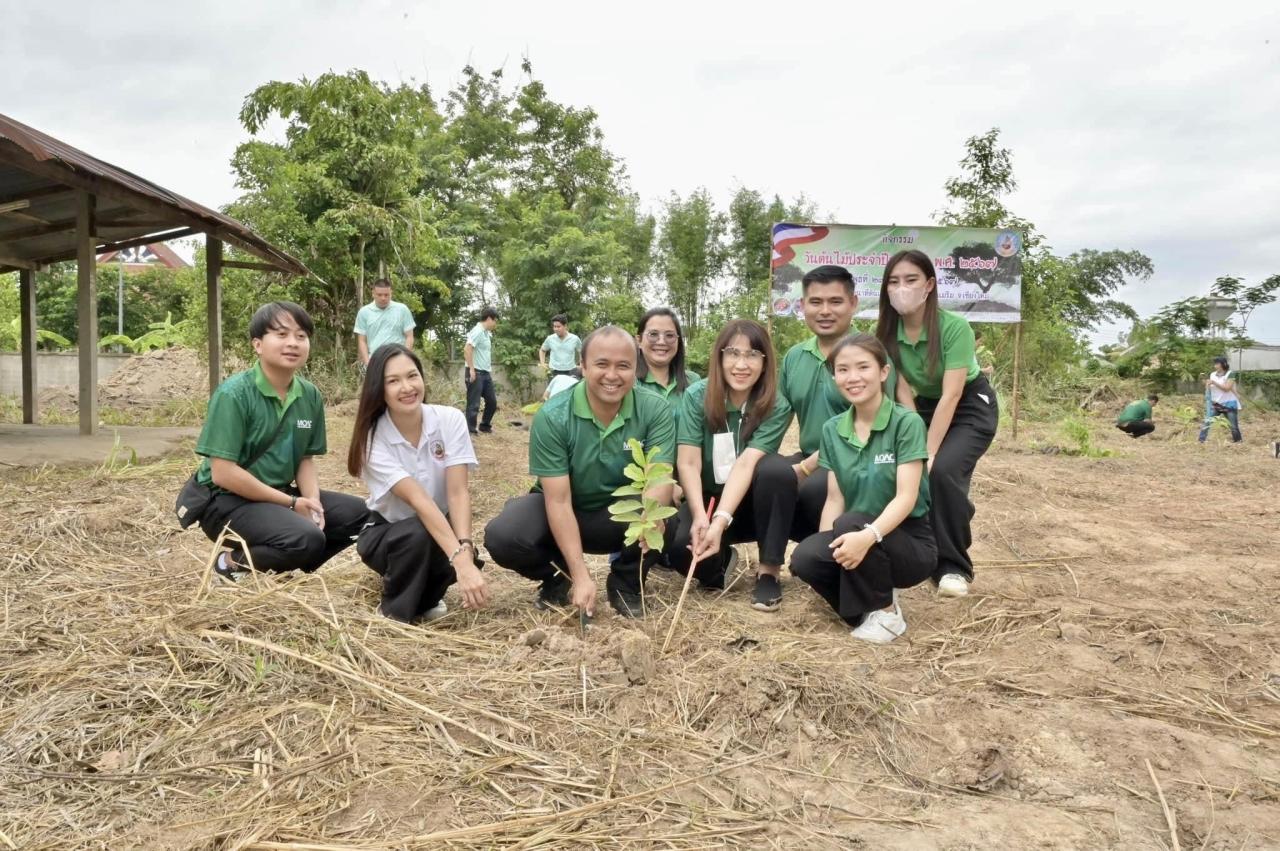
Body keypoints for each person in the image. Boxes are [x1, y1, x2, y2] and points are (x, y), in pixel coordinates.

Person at [484, 326, 677, 618]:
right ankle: (558, 577)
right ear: (583, 366)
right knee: (504, 536)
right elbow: (558, 501)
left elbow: (659, 478)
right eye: (602, 364)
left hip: (621, 513)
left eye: (623, 366)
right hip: (564, 509)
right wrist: (580, 573)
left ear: (636, 368)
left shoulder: (655, 410)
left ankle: (626, 583)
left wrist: (651, 519)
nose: (612, 375)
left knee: (668, 517)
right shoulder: (554, 416)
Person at [192, 302, 369, 581]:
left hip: (279, 496)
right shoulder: (234, 395)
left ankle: (287, 557)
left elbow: (304, 458)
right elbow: (222, 472)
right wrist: (291, 504)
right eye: (281, 334)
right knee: (305, 537)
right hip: (225, 503)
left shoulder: (309, 395)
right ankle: (231, 563)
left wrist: (311, 502)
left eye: (301, 336)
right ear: (258, 344)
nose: (293, 343)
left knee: (363, 515)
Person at [790, 334, 935, 643]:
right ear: (834, 377)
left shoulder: (906, 423)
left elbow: (907, 498)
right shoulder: (833, 429)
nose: (852, 377)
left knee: (851, 522)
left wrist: (867, 536)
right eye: (842, 370)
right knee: (805, 558)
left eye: (862, 367)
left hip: (909, 541)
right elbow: (834, 497)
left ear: (883, 373)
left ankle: (887, 613)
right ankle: (862, 608)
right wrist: (825, 550)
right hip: (856, 529)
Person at [876, 249, 997, 599]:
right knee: (908, 470)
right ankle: (952, 509)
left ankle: (954, 567)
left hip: (970, 404)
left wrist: (927, 452)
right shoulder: (884, 331)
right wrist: (915, 440)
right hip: (923, 405)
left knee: (941, 471)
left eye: (911, 280)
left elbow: (953, 394)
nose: (902, 288)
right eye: (894, 282)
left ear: (929, 284)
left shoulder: (954, 327)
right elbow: (899, 388)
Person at [347, 344, 486, 623]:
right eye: (393, 381)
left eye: (412, 376)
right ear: (379, 389)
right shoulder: (372, 438)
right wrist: (458, 558)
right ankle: (394, 612)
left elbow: (458, 493)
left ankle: (427, 595)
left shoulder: (450, 420)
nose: (407, 387)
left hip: (437, 527)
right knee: (420, 535)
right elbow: (419, 500)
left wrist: (466, 549)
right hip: (388, 533)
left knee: (449, 545)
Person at [670, 320, 796, 610]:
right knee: (682, 551)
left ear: (765, 363)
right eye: (733, 353)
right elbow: (687, 462)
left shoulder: (776, 404)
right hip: (708, 499)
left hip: (752, 503)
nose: (742, 364)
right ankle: (721, 562)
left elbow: (746, 464)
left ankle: (769, 573)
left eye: (753, 355)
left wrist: (720, 521)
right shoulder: (696, 397)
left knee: (776, 470)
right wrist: (702, 518)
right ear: (720, 358)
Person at [779, 265, 892, 542]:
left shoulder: (871, 354)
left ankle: (838, 554)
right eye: (816, 302)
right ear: (803, 305)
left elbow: (876, 427)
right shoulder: (794, 357)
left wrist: (806, 468)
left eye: (836, 301)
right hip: (809, 454)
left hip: (860, 460)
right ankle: (769, 569)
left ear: (853, 303)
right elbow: (776, 418)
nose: (825, 311)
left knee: (814, 489)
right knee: (768, 478)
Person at [635, 307, 699, 419]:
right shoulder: (629, 383)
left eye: (669, 335)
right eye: (653, 334)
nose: (661, 342)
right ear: (639, 340)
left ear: (678, 341)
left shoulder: (693, 381)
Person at [354, 278, 415, 372]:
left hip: (398, 361)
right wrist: (367, 363)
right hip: (375, 362)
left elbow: (409, 337)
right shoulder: (364, 312)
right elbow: (362, 341)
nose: (383, 298)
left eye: (386, 295)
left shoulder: (402, 310)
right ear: (373, 294)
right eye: (379, 295)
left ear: (391, 293)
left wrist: (406, 358)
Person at [464, 307, 499, 435]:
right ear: (489, 318)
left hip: (485, 373)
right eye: (495, 321)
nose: (495, 324)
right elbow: (467, 349)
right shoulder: (478, 331)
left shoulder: (486, 332)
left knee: (492, 402)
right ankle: (470, 431)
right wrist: (471, 370)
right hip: (476, 372)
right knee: (474, 404)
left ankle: (484, 426)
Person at [1199, 357, 1243, 443]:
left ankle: (1238, 442)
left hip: (1229, 403)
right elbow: (1209, 388)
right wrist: (1207, 384)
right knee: (1207, 422)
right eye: (1215, 363)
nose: (1215, 365)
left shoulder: (1230, 374)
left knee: (1233, 426)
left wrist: (1214, 382)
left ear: (1223, 364)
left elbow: (1227, 388)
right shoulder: (1212, 374)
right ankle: (1201, 440)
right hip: (1216, 403)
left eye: (1217, 363)